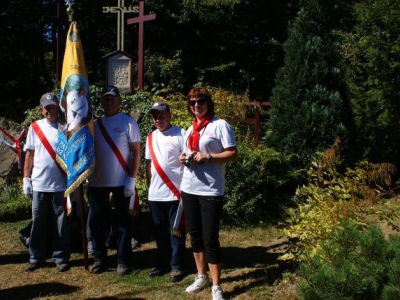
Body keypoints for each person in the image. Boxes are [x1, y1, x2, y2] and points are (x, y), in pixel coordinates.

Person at [179, 87, 238, 300]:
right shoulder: (190, 129)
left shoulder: (219, 125)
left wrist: (209, 157)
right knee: (194, 235)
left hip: (210, 190)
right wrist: (183, 158)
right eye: (192, 102)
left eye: (200, 101)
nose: (196, 105)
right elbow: (187, 153)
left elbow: (233, 154)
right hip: (189, 187)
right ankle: (201, 276)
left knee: (210, 237)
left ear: (208, 103)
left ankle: (216, 286)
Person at [87, 85, 141, 276]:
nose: (110, 102)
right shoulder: (95, 124)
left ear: (118, 101)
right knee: (97, 223)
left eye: (113, 99)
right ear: (102, 101)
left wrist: (131, 179)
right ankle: (100, 258)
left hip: (121, 183)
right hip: (96, 182)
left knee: (123, 224)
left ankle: (123, 260)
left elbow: (136, 153)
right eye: (106, 99)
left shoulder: (128, 123)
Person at [22, 92, 70, 272]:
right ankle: (36, 256)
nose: (50, 110)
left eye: (53, 107)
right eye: (46, 108)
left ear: (58, 108)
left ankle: (60, 257)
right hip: (39, 183)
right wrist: (26, 178)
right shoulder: (35, 128)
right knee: (38, 221)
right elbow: (30, 154)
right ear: (41, 110)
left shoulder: (65, 127)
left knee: (60, 222)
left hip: (60, 183)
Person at [146, 102, 186, 283]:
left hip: (175, 193)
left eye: (161, 115)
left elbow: (187, 162)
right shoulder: (150, 137)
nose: (158, 119)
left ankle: (177, 265)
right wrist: (149, 187)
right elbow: (149, 165)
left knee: (176, 231)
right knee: (159, 232)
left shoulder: (181, 134)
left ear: (169, 115)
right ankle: (162, 264)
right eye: (155, 116)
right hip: (155, 194)